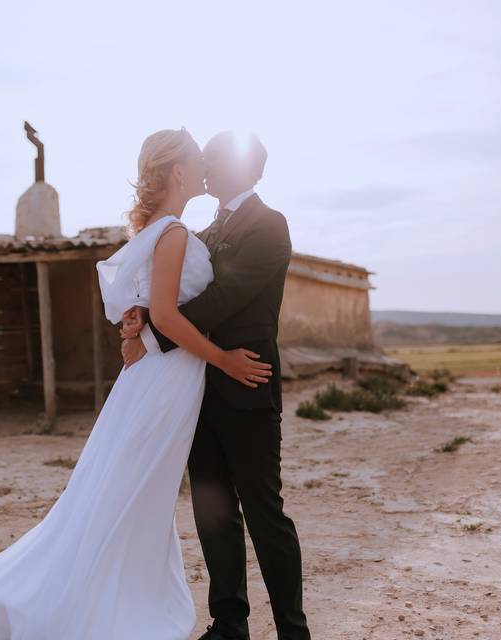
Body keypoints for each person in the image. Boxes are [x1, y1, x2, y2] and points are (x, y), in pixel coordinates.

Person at [0, 127, 272, 639]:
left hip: (162, 375)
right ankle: (86, 610)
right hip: (169, 378)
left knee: (135, 491)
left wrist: (137, 327)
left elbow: (149, 310)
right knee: (129, 491)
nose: (206, 169)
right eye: (198, 161)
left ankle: (117, 599)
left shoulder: (164, 231)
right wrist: (223, 360)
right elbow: (168, 316)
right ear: (177, 172)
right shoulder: (172, 235)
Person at [121, 131, 311, 640]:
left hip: (248, 380)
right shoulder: (203, 231)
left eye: (212, 157)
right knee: (213, 511)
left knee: (264, 513)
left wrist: (156, 329)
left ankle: (294, 630)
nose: (202, 163)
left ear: (244, 168)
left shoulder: (270, 226)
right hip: (200, 384)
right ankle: (230, 624)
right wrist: (141, 313)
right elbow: (178, 288)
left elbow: (225, 297)